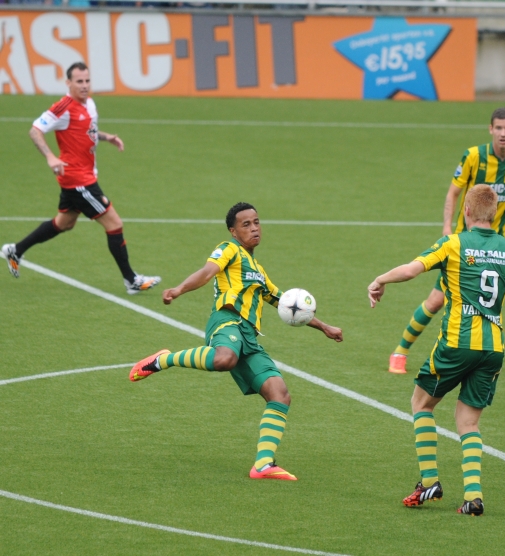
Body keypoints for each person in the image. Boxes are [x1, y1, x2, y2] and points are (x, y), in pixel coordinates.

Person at [369, 185, 505, 515]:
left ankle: (430, 481)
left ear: (466, 211)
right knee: (468, 422)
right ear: (495, 214)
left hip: (457, 342)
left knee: (421, 403)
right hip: (493, 349)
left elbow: (412, 269)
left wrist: (380, 280)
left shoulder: (454, 243)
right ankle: (473, 498)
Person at [129, 202, 343, 480]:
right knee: (223, 358)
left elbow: (283, 302)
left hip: (249, 339)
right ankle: (163, 359)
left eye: (256, 222)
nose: (254, 228)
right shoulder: (228, 249)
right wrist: (180, 288)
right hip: (227, 322)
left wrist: (323, 326)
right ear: (233, 230)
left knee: (279, 394)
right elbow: (207, 271)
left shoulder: (258, 270)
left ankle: (263, 465)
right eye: (246, 224)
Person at [387, 107, 505, 375]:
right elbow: (453, 193)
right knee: (437, 301)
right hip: (468, 243)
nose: (503, 133)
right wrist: (447, 228)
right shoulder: (474, 157)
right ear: (490, 129)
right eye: (499, 128)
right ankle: (400, 351)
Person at [1, 61, 160, 295]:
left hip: (79, 177)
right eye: (79, 81)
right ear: (69, 83)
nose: (84, 86)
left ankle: (16, 250)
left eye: (87, 81)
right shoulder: (63, 107)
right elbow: (35, 130)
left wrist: (107, 137)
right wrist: (50, 157)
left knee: (64, 223)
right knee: (114, 224)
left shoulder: (90, 104)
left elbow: (88, 132)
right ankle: (131, 280)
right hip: (78, 180)